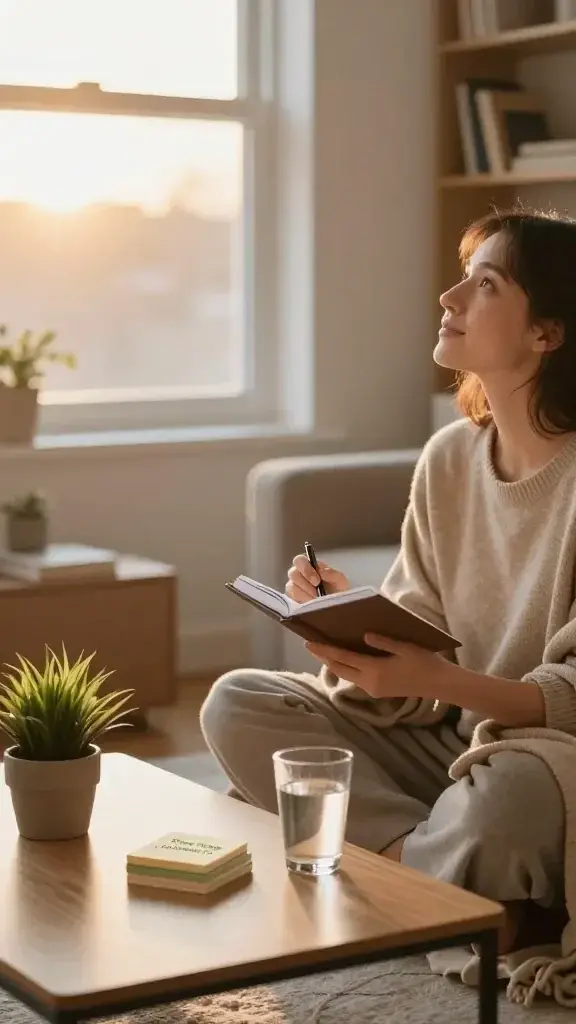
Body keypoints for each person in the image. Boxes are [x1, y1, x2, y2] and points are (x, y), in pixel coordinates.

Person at [201, 207, 576, 954]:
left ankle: (412, 875)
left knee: (521, 801)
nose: (449, 298)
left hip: (535, 751)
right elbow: (411, 656)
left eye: (485, 284)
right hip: (439, 740)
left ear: (547, 333)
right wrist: (346, 621)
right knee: (239, 700)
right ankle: (436, 877)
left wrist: (441, 681)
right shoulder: (448, 458)